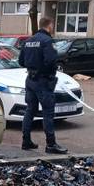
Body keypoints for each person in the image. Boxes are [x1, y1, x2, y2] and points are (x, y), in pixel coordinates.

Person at [19, 16, 67, 154]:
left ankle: (26, 141)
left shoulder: (28, 41)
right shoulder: (47, 41)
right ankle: (51, 144)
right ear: (49, 25)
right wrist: (45, 72)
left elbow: (21, 61)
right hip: (43, 81)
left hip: (30, 80)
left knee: (30, 110)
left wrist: (34, 67)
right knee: (48, 113)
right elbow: (51, 61)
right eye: (53, 25)